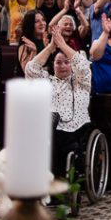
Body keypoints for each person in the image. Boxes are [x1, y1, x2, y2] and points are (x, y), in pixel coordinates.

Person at [26, 27, 93, 176]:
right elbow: (30, 70)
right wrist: (50, 48)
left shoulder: (80, 81)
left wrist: (62, 45)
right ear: (53, 65)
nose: (62, 66)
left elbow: (83, 66)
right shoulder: (46, 80)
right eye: (58, 63)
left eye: (66, 62)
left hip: (74, 130)